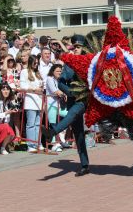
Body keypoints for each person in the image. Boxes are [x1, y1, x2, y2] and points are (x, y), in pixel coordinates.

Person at [43, 34, 90, 177]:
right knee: (78, 133)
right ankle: (84, 164)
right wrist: (71, 92)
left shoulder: (89, 63)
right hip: (73, 98)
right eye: (74, 46)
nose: (75, 49)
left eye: (78, 47)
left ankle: (53, 131)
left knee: (72, 114)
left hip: (84, 99)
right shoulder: (69, 64)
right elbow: (61, 82)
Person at [19, 55, 44, 152]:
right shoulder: (24, 72)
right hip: (30, 101)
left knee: (38, 124)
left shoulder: (38, 73)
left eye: (37, 63)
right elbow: (23, 86)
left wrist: (40, 90)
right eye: (34, 63)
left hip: (39, 101)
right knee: (31, 124)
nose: (36, 65)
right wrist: (34, 89)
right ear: (30, 62)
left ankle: (38, 142)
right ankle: (31, 144)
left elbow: (42, 86)